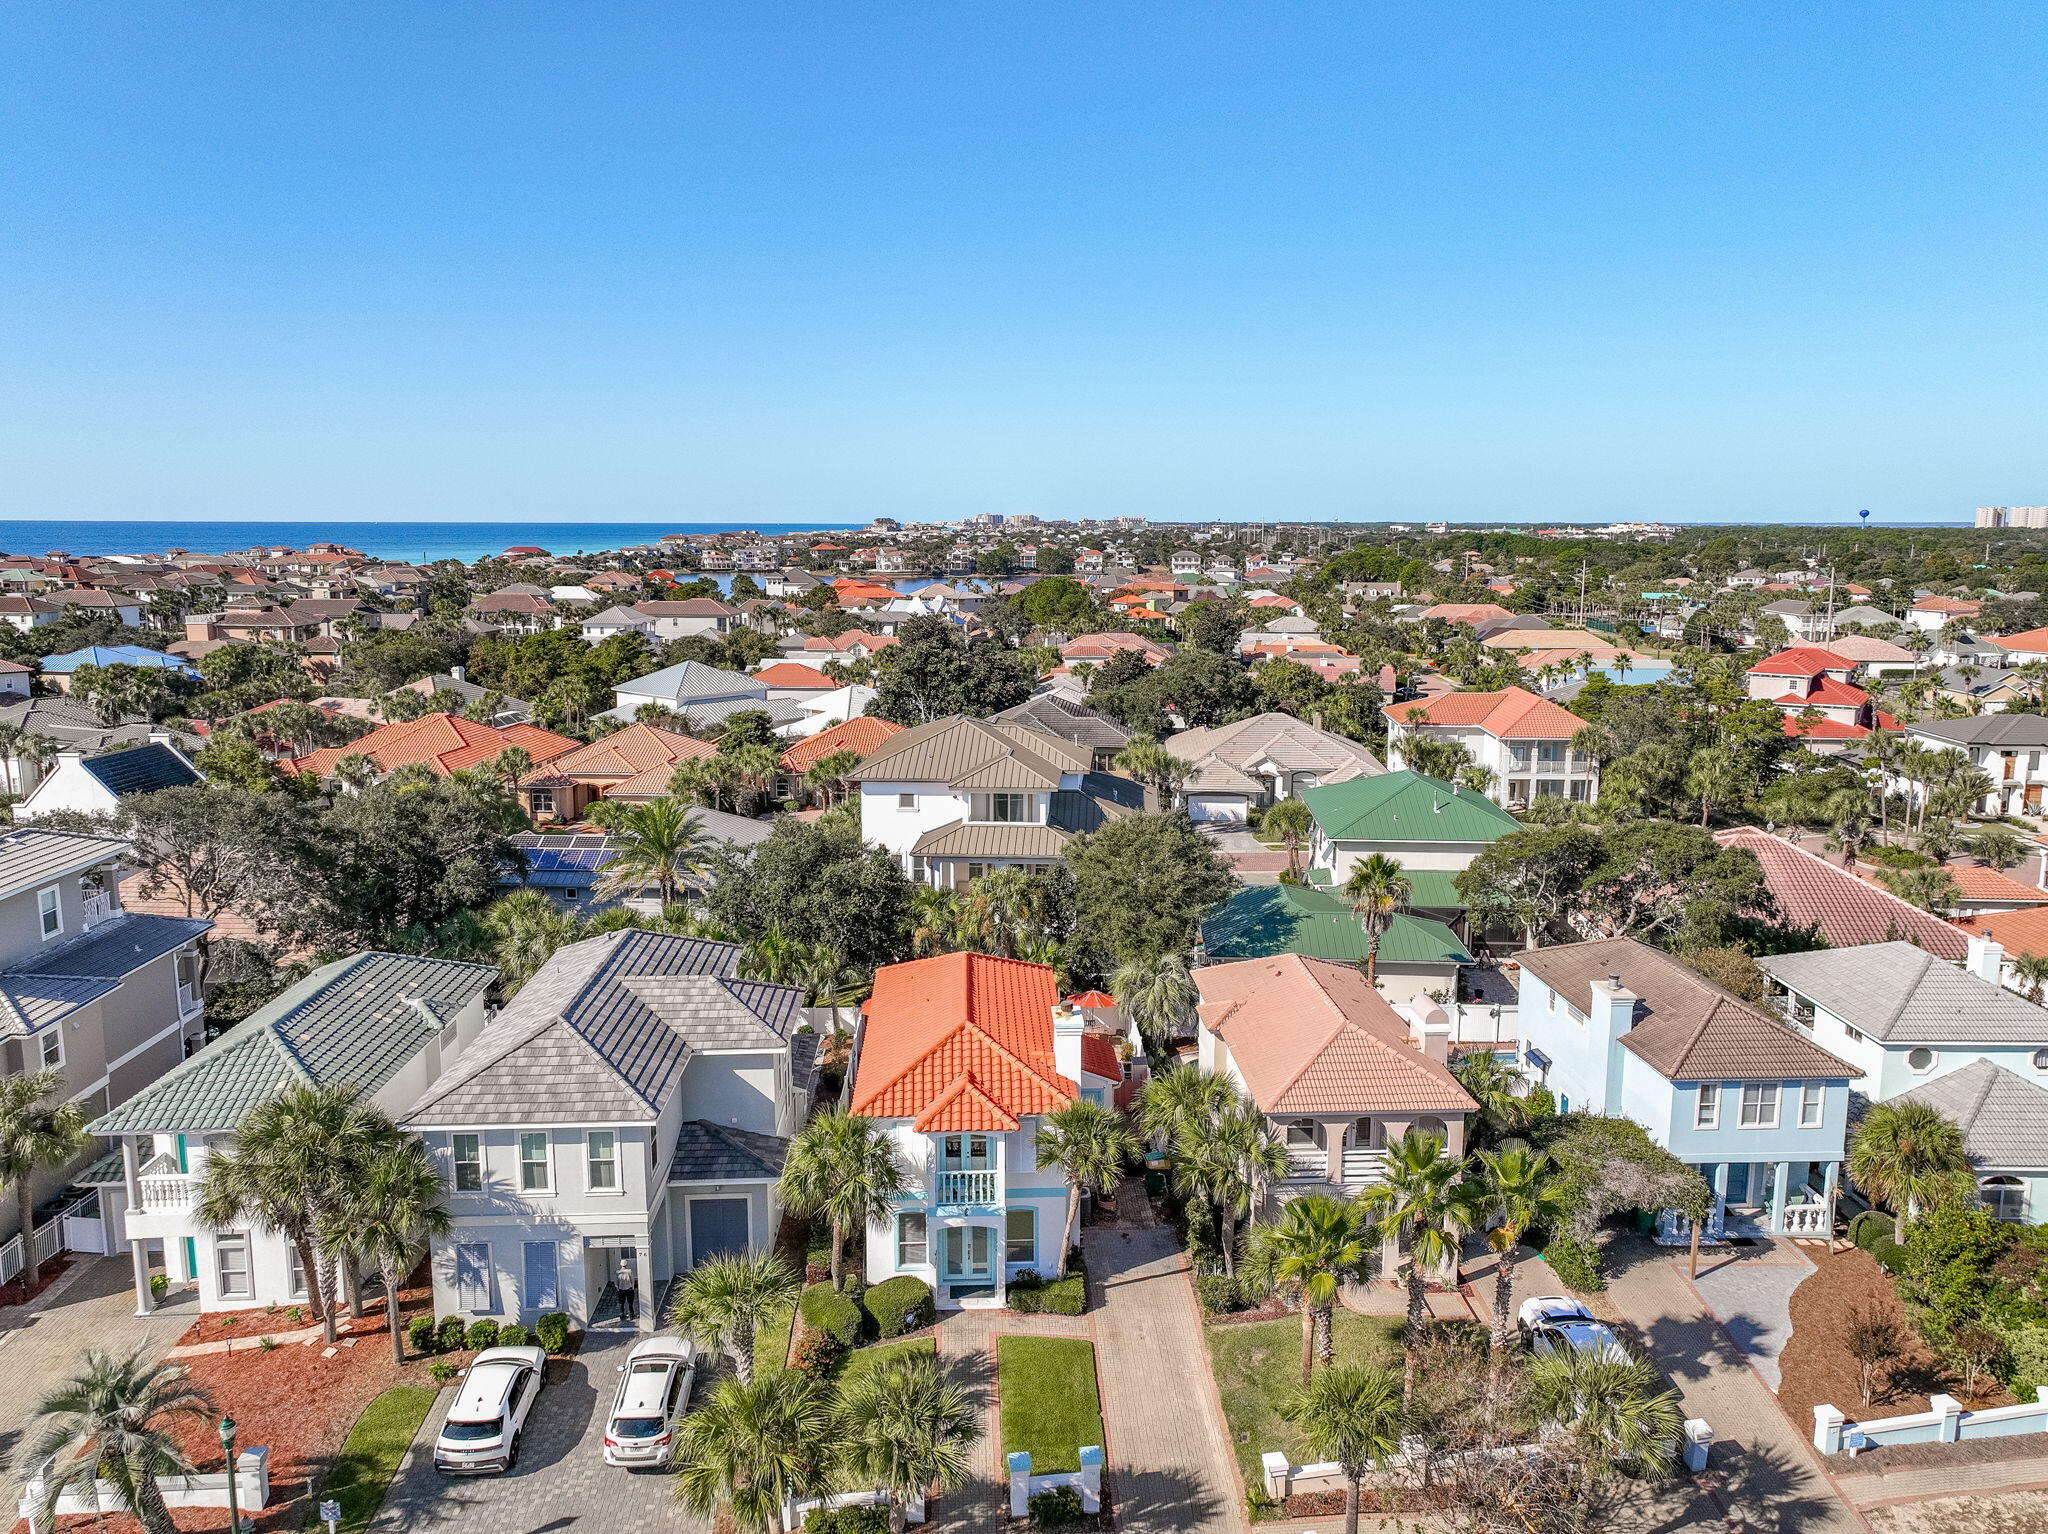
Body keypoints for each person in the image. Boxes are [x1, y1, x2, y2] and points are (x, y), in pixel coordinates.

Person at [614, 1256, 638, 1324]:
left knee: (621, 1303)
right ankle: (631, 1314)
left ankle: (622, 1315)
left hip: (621, 1289)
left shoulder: (617, 1272)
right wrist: (632, 1287)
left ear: (620, 1265)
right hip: (629, 1289)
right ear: (626, 1264)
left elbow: (616, 1282)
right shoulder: (629, 1271)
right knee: (630, 1303)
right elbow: (632, 1280)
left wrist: (617, 1288)